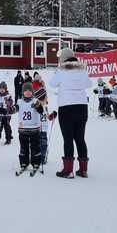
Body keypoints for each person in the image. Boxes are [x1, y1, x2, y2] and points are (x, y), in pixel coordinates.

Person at [48, 47, 93, 178]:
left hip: (66, 107)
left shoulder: (62, 70)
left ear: (63, 59)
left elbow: (52, 83)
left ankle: (68, 170)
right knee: (80, 138)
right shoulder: (82, 70)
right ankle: (83, 170)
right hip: (82, 107)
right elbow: (89, 84)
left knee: (68, 139)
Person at [14, 82, 44, 175]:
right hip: (23, 129)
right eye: (25, 90)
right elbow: (14, 109)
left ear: (32, 92)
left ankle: (36, 163)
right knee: (23, 148)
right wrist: (8, 110)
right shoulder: (19, 101)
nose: (27, 92)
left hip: (34, 129)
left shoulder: (35, 101)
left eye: (29, 90)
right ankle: (24, 162)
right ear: (23, 92)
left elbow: (41, 111)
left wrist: (38, 106)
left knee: (35, 148)